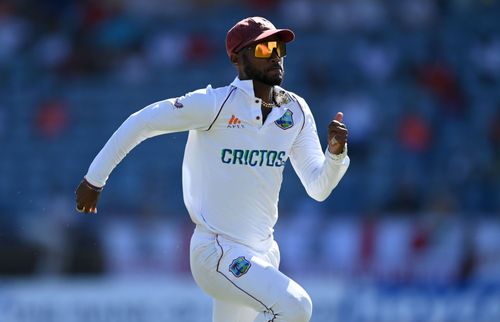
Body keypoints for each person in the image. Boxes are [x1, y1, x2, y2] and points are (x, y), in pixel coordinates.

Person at [75, 16, 350, 322]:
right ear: (236, 59)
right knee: (297, 306)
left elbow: (318, 187)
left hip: (264, 253)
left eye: (279, 46)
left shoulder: (295, 110)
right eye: (263, 49)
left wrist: (335, 156)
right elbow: (144, 121)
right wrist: (95, 179)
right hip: (216, 251)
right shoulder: (215, 104)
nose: (274, 55)